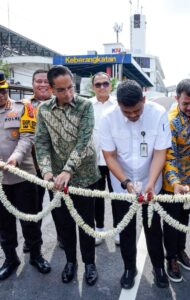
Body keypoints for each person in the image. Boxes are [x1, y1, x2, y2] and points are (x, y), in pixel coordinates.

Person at [99, 80, 171, 289]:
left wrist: (151, 181)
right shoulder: (108, 118)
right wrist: (125, 181)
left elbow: (160, 152)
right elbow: (110, 156)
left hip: (151, 178)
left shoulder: (157, 113)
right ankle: (129, 267)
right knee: (126, 228)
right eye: (126, 112)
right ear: (118, 104)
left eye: (136, 111)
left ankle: (159, 267)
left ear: (144, 100)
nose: (132, 115)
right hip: (122, 181)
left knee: (153, 226)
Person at [35, 65, 100, 286]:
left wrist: (67, 170)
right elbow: (41, 143)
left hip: (84, 176)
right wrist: (45, 170)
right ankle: (71, 262)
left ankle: (90, 263)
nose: (68, 93)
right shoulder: (44, 110)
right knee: (64, 224)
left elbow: (84, 141)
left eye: (70, 87)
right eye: (62, 90)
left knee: (85, 224)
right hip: (56, 182)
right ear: (52, 90)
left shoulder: (85, 106)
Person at [0, 72, 51, 280]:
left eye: (2, 91)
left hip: (23, 175)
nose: (0, 95)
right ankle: (10, 258)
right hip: (1, 182)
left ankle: (36, 255)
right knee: (4, 223)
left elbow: (27, 137)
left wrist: (15, 158)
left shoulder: (23, 108)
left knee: (30, 219)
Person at [162, 79, 190, 283]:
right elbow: (169, 156)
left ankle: (180, 251)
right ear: (176, 98)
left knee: (183, 221)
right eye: (185, 103)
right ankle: (170, 258)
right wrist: (176, 183)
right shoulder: (171, 121)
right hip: (173, 185)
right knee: (171, 224)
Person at [22, 69, 63, 254]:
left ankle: (63, 235)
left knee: (59, 205)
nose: (43, 84)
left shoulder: (62, 104)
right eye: (38, 81)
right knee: (32, 206)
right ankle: (32, 240)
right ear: (32, 85)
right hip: (30, 166)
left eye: (46, 81)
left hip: (56, 166)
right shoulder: (23, 106)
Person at [90, 72, 119, 246]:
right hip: (94, 160)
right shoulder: (87, 105)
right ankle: (99, 229)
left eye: (105, 84)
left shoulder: (118, 104)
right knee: (96, 197)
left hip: (115, 159)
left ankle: (118, 230)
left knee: (118, 196)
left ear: (111, 85)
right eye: (98, 84)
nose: (102, 87)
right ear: (93, 87)